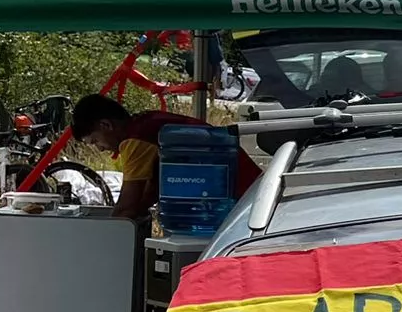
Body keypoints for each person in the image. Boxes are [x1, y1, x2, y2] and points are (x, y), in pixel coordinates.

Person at [70, 94, 260, 224]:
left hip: (239, 201)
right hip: (251, 190)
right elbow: (150, 191)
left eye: (95, 141)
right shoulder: (148, 122)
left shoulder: (136, 140)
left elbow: (127, 207)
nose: (100, 149)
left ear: (106, 125)